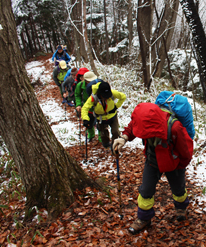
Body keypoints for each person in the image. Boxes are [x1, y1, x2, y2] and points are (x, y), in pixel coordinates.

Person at [112, 102, 193, 234]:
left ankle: (181, 208)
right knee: (146, 190)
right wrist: (124, 138)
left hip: (173, 164)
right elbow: (133, 126)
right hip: (152, 160)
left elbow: (186, 151)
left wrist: (179, 167)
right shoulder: (145, 120)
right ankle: (144, 218)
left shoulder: (174, 127)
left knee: (178, 188)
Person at [81, 81, 126, 148]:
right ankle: (106, 145)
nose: (107, 97)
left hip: (112, 116)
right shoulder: (93, 98)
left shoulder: (112, 93)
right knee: (104, 135)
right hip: (101, 119)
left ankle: (114, 146)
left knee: (116, 131)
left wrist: (116, 106)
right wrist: (85, 119)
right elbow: (85, 108)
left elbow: (123, 96)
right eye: (105, 96)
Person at [75, 70, 101, 142]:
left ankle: (101, 138)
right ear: (86, 81)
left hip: (98, 107)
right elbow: (77, 95)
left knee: (100, 123)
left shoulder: (99, 84)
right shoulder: (80, 85)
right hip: (88, 107)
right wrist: (78, 105)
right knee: (89, 123)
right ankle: (91, 135)